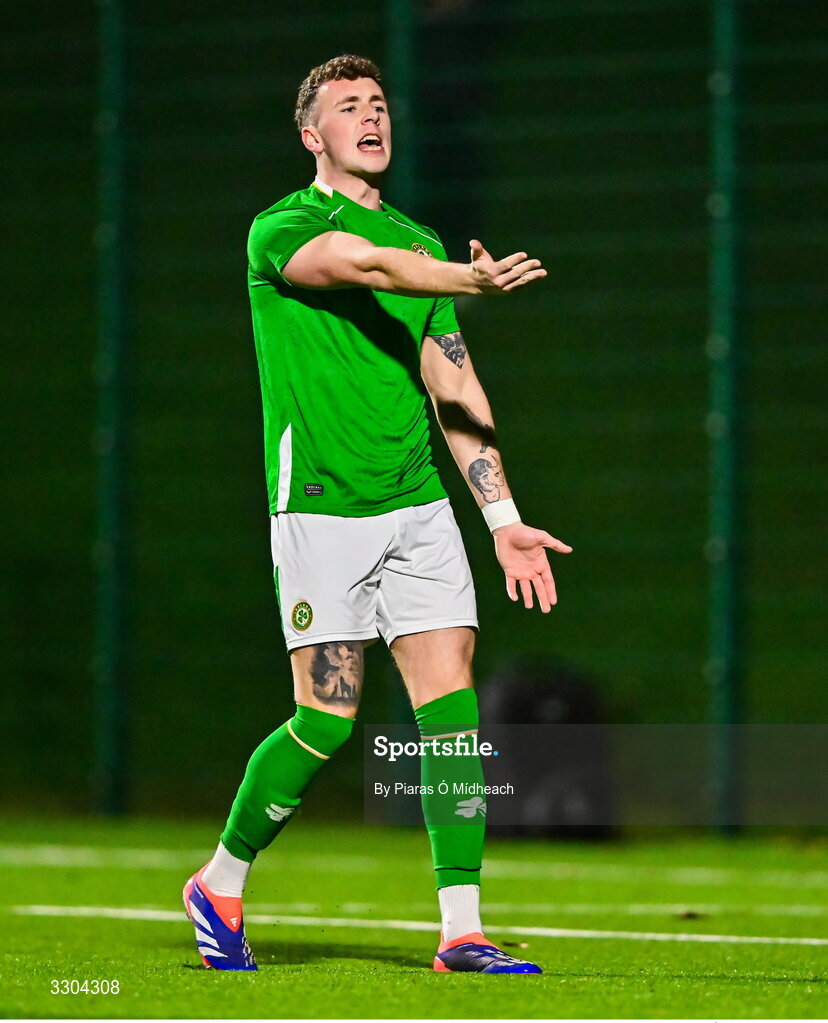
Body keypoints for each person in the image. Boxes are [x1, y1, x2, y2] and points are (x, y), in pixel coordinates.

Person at [183, 54, 572, 975]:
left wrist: (503, 515)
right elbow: (356, 263)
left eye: (380, 103)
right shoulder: (283, 228)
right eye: (348, 106)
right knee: (326, 721)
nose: (371, 116)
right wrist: (458, 280)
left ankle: (463, 929)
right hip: (322, 510)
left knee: (451, 712)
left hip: (418, 510)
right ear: (312, 134)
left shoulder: (419, 242)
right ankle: (221, 878)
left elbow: (454, 383)